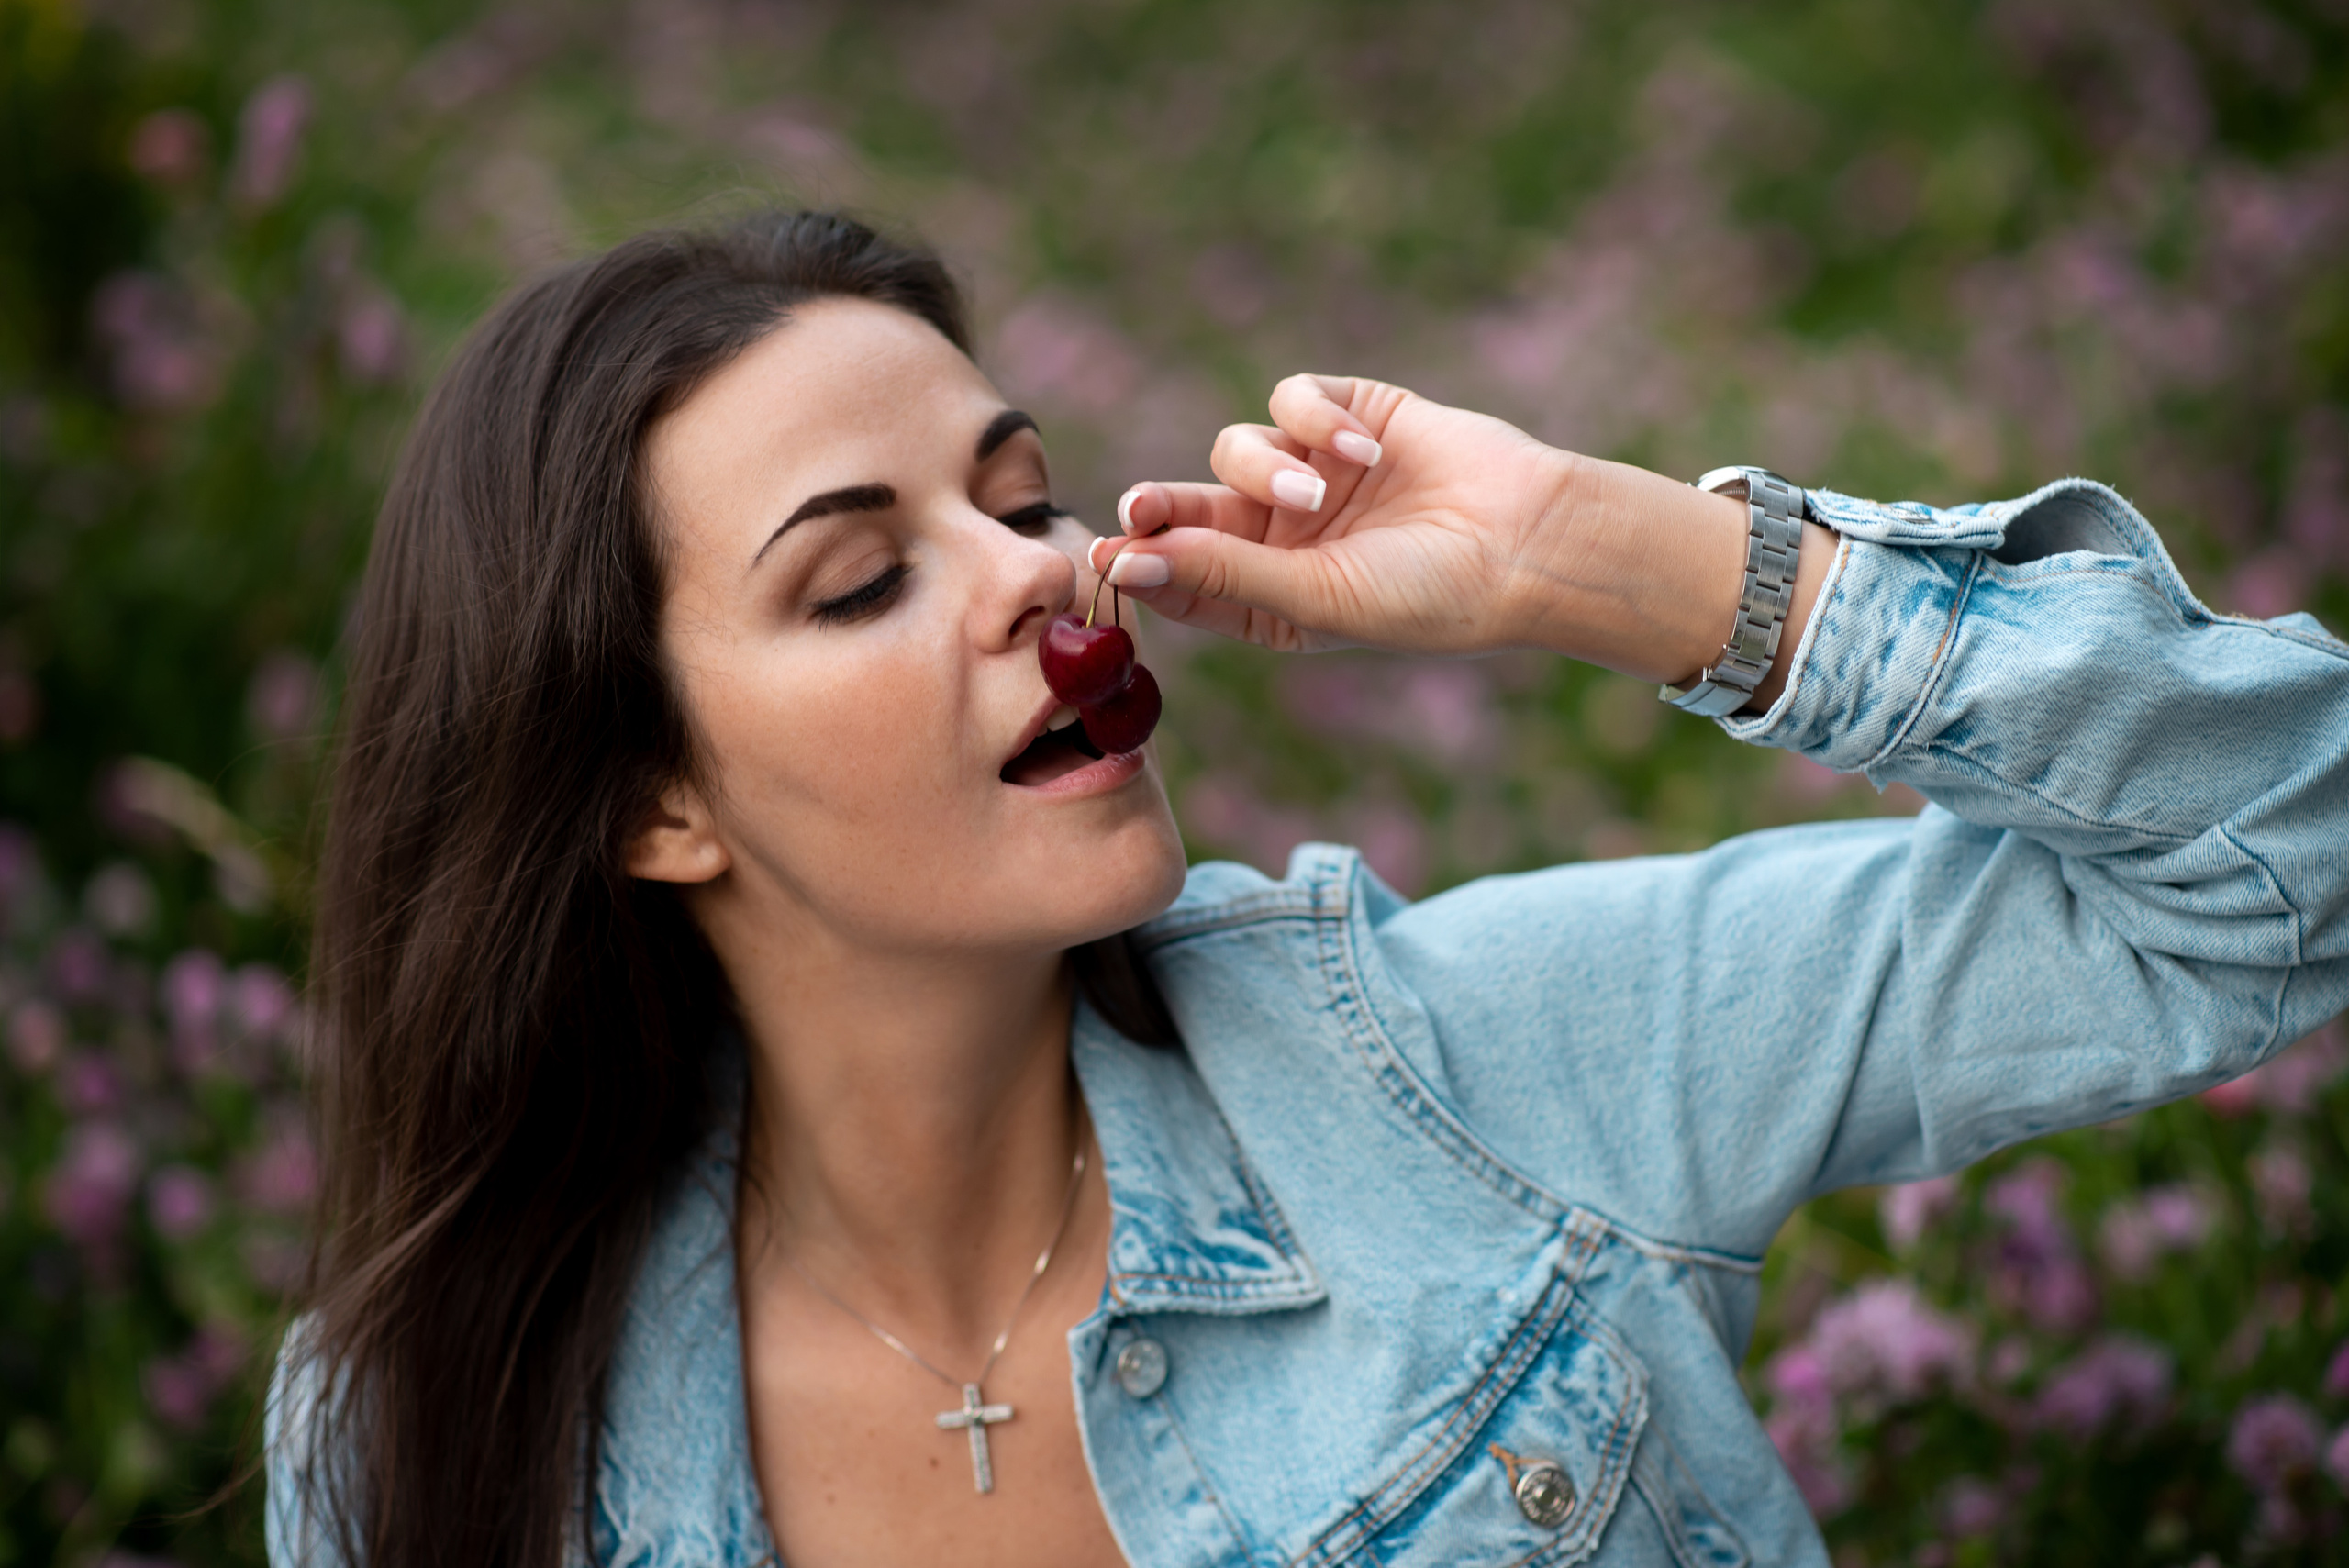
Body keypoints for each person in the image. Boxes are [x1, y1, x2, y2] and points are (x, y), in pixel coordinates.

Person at [265, 208, 2349, 1568]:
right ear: (648, 801)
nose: (1051, 576)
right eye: (862, 577)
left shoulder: (1483, 1069)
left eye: (1022, 498)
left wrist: (1587, 558)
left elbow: (2286, 857)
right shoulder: (414, 1439)